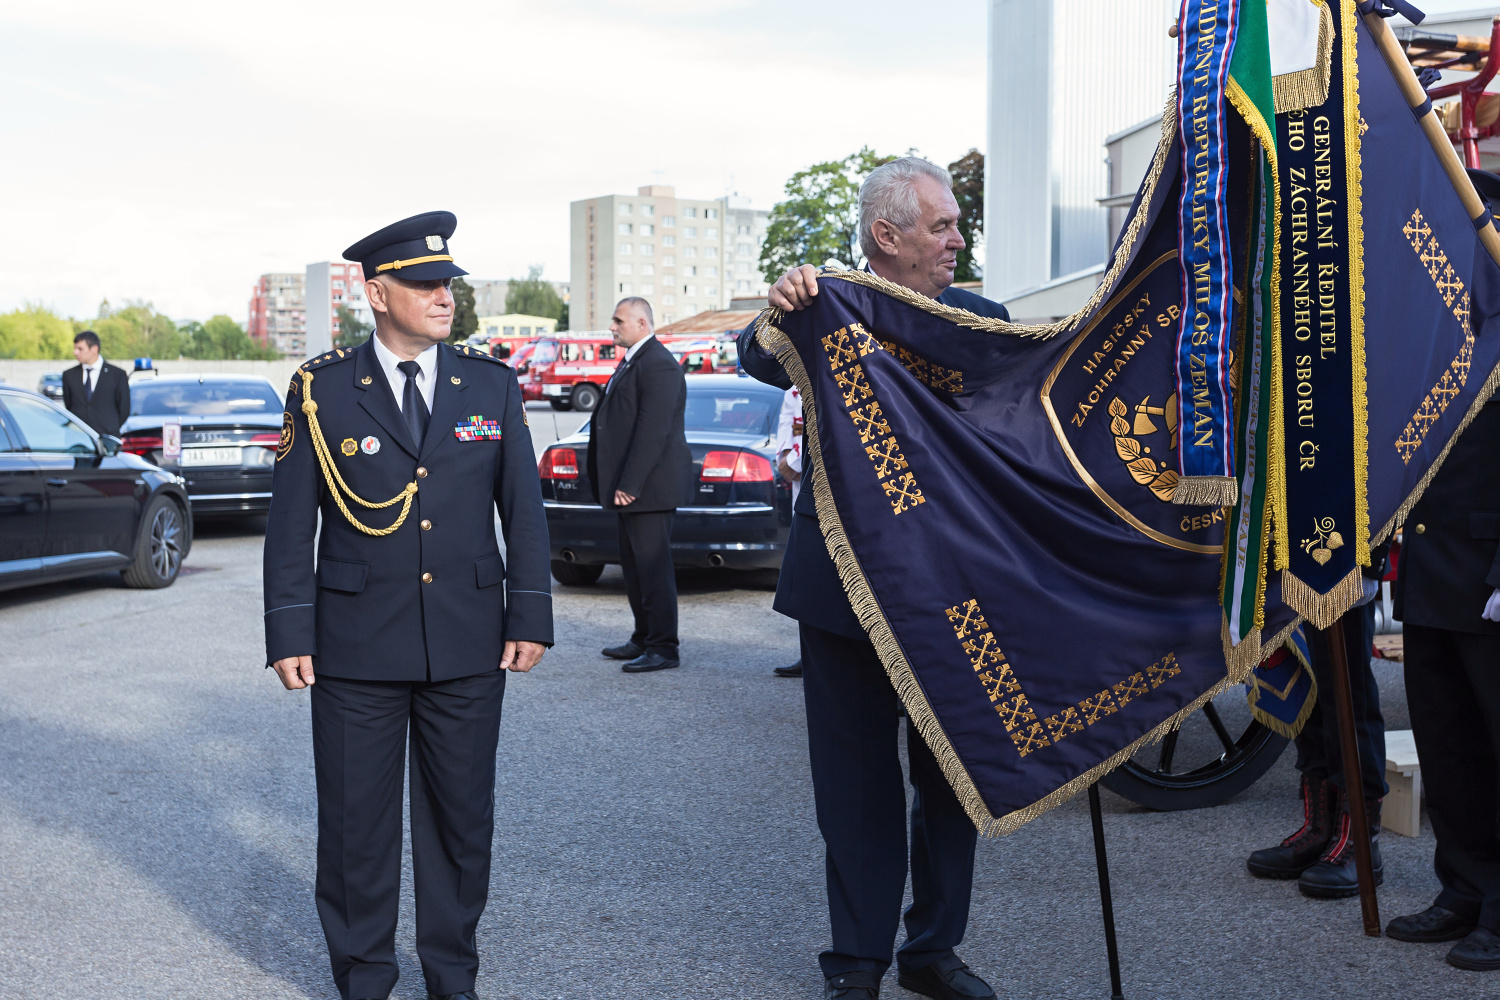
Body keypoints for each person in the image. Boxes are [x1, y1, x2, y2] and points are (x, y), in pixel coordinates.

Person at [262, 211, 552, 1000]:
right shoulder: (322, 391)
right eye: (423, 284)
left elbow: (522, 509)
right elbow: (291, 526)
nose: (442, 296)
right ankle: (364, 977)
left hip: (468, 640)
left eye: (448, 283)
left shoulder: (488, 382)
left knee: (461, 825)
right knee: (357, 827)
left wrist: (530, 613)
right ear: (377, 291)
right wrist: (288, 629)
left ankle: (452, 977)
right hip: (355, 644)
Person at [739, 157, 1008, 1000]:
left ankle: (933, 949)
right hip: (843, 592)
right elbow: (752, 355)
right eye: (942, 225)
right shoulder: (821, 309)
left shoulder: (982, 319)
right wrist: (774, 306)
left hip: (950, 591)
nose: (958, 238)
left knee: (950, 782)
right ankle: (856, 961)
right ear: (885, 237)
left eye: (957, 224)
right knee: (854, 787)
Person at [1385, 392, 1500, 970]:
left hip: (1488, 571)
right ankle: (1465, 886)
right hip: (1432, 569)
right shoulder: (1443, 330)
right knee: (1447, 745)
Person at [1246, 592, 1387, 897]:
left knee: (1347, 689)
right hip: (1292, 554)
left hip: (1343, 554)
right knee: (1304, 682)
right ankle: (1321, 829)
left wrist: (1367, 564)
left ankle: (1359, 842)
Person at [588, 296, 694, 673]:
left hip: (648, 489)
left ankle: (664, 647)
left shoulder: (658, 365)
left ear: (642, 324)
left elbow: (654, 432)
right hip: (632, 487)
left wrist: (630, 483)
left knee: (652, 568)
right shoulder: (634, 359)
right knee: (633, 568)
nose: (612, 326)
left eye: (618, 320)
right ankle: (644, 636)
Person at [773, 385, 805, 678]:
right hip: (800, 491)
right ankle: (808, 653)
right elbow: (787, 423)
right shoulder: (793, 386)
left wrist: (796, 462)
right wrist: (784, 458)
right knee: (806, 577)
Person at [61, 329, 130, 437]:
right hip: (77, 439)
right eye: (75, 348)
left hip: (107, 438)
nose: (75, 352)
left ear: (94, 349)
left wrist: (110, 427)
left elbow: (124, 409)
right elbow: (69, 406)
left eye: (80, 349)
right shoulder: (69, 375)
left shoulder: (117, 375)